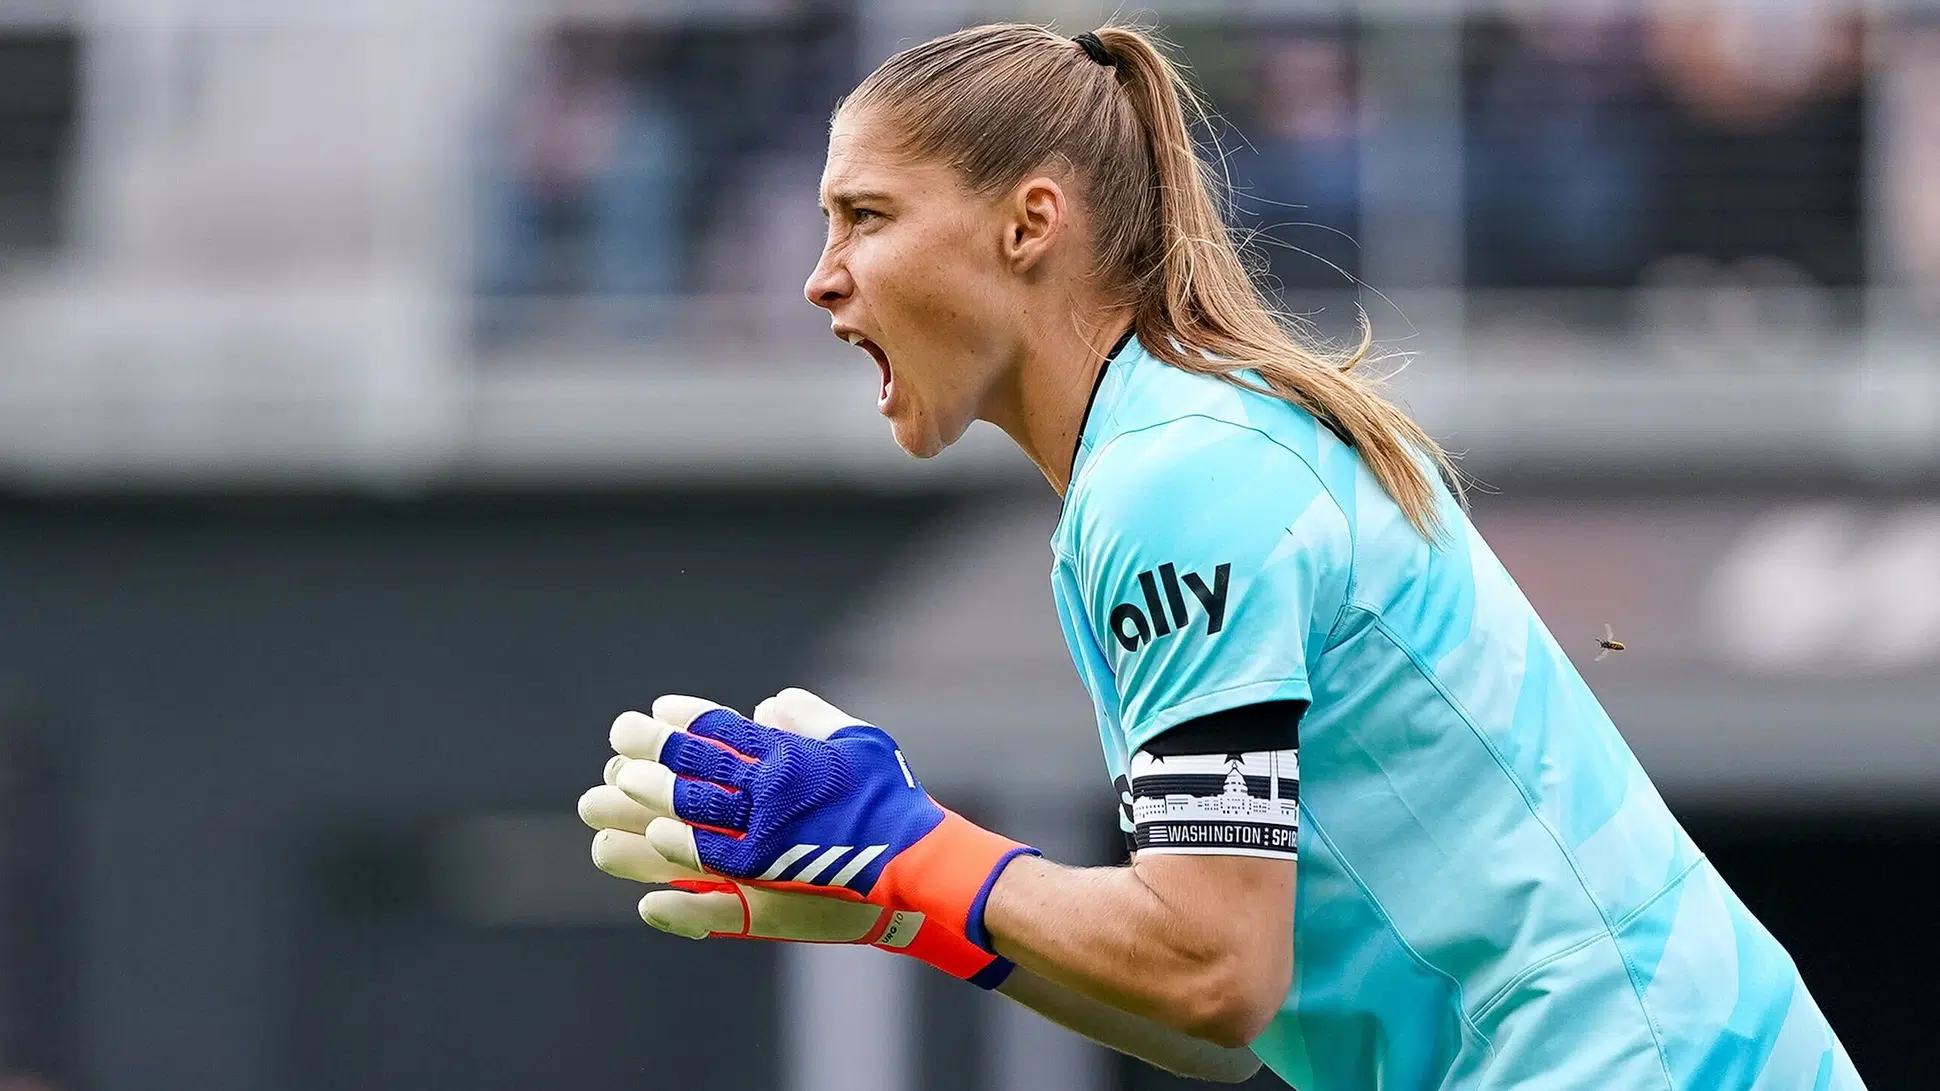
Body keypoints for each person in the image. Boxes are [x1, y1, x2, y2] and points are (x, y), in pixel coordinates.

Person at [578, 23, 1865, 1090]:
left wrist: (902, 842)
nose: (819, 277)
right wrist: (906, 897)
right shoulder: (1162, 459)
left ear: (1030, 222)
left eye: (863, 214)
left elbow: (1209, 968)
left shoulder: (1175, 482)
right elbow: (1216, 1027)